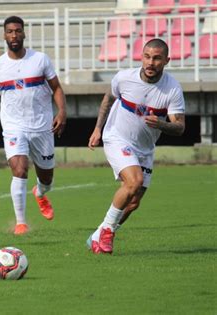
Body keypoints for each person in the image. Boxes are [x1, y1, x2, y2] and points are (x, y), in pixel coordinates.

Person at [87, 38, 185, 254]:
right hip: (117, 138)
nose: (151, 63)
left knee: (133, 202)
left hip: (145, 149)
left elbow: (180, 127)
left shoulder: (172, 89)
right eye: (147, 57)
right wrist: (97, 129)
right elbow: (108, 100)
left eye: (157, 58)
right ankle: (107, 233)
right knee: (134, 181)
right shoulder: (124, 78)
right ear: (141, 57)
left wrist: (161, 124)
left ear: (166, 60)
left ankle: (97, 235)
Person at [0, 16, 67, 235]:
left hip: (41, 126)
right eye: (9, 31)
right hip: (13, 126)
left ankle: (40, 192)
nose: (14, 35)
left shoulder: (40, 60)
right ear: (4, 35)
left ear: (24, 33)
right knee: (19, 169)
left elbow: (56, 88)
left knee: (47, 178)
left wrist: (62, 112)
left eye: (17, 31)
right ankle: (21, 223)